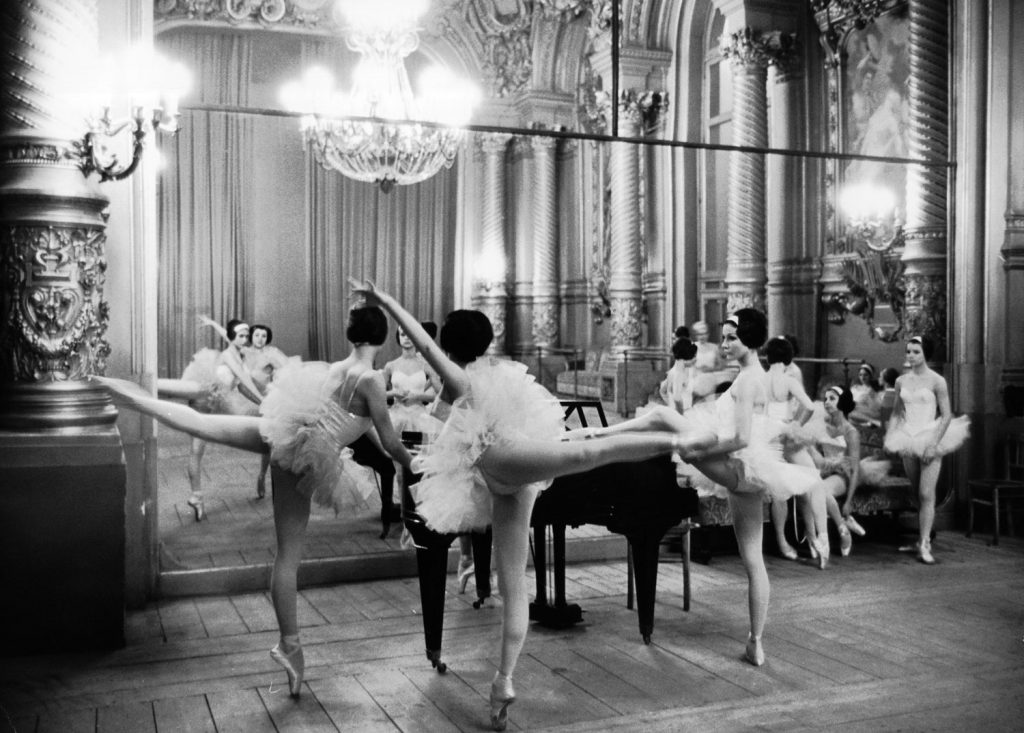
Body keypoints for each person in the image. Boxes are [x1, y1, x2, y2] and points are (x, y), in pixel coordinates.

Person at [349, 279, 711, 731]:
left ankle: (672, 434)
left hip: (500, 473)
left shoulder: (460, 381)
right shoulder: (476, 381)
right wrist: (385, 300)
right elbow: (443, 416)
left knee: (582, 452)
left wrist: (387, 301)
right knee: (582, 452)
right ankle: (502, 680)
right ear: (487, 342)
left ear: (448, 346)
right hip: (510, 471)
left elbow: (424, 350)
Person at [97, 305, 414, 698]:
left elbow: (351, 422)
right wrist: (415, 463)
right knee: (289, 557)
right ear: (383, 338)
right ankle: (290, 647)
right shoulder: (371, 379)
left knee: (202, 424)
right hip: (303, 456)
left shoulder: (337, 367)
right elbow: (390, 441)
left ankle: (119, 391)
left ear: (352, 335)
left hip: (284, 433)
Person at [565, 309, 821, 668]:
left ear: (749, 339)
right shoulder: (752, 375)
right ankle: (756, 642)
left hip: (737, 465)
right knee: (753, 559)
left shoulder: (750, 380)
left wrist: (697, 449)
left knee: (662, 418)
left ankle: (593, 435)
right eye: (725, 336)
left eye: (732, 337)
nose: (725, 343)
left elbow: (742, 437)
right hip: (750, 475)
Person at [157, 318, 265, 520]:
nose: (245, 339)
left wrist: (213, 324)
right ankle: (142, 383)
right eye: (241, 336)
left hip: (217, 402)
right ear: (233, 338)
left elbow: (241, 385)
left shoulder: (238, 354)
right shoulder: (228, 355)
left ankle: (197, 496)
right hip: (205, 395)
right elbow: (243, 379)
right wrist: (263, 400)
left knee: (198, 450)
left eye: (246, 336)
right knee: (160, 388)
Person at [883, 335, 970, 564]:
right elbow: (896, 412)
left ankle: (924, 544)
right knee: (916, 492)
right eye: (908, 351)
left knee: (925, 493)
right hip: (908, 437)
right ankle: (922, 536)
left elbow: (947, 414)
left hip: (930, 437)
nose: (910, 355)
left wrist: (933, 444)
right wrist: (891, 434)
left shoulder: (937, 381)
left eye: (916, 352)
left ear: (925, 354)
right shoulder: (901, 380)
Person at [797, 385, 890, 565]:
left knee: (821, 491)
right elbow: (814, 452)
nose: (827, 402)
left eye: (832, 398)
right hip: (825, 470)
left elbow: (854, 469)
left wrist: (848, 501)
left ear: (843, 402)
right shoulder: (821, 425)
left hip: (844, 474)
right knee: (807, 489)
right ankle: (826, 532)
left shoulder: (850, 432)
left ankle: (842, 529)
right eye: (825, 399)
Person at [759, 336, 818, 564]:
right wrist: (796, 425)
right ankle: (811, 539)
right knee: (804, 483)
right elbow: (810, 406)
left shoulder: (759, 380)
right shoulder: (789, 380)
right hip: (784, 431)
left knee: (779, 492)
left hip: (764, 434)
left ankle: (783, 541)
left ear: (767, 356)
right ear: (788, 357)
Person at [246, 323, 291, 499]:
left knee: (268, 441)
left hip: (267, 400)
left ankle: (262, 476)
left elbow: (286, 371)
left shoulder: (271, 354)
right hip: (246, 398)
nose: (260, 339)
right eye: (257, 335)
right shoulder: (244, 353)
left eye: (264, 336)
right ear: (251, 336)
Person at [383, 322, 442, 435]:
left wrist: (419, 396)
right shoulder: (390, 366)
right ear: (398, 337)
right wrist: (394, 392)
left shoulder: (426, 366)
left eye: (410, 334)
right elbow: (378, 394)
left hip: (419, 417)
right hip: (396, 416)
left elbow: (440, 396)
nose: (407, 338)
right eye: (403, 334)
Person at [690, 320, 730, 403]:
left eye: (704, 334)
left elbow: (721, 366)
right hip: (695, 377)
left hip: (711, 377)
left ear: (708, 334)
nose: (702, 337)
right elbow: (687, 364)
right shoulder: (692, 346)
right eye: (699, 334)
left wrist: (710, 369)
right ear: (696, 335)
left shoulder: (714, 347)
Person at [850, 362, 885, 429]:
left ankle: (874, 421)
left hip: (868, 412)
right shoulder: (855, 387)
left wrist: (871, 395)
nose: (862, 377)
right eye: (860, 375)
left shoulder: (872, 390)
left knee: (849, 413)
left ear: (870, 376)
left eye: (865, 375)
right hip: (855, 411)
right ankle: (866, 424)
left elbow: (876, 407)